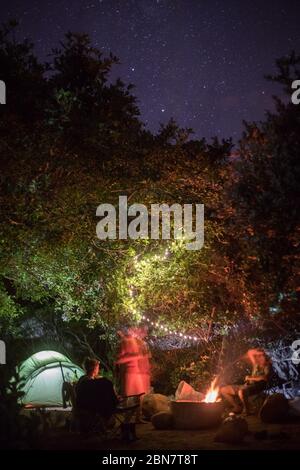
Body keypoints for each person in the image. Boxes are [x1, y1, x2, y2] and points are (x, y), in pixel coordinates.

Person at [220, 348, 271, 415]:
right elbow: (250, 352)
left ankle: (247, 410)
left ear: (265, 358)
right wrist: (260, 352)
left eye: (261, 356)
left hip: (256, 387)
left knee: (241, 391)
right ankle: (237, 407)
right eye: (258, 356)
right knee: (223, 390)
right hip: (246, 385)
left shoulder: (267, 366)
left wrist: (251, 378)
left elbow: (265, 378)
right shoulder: (256, 365)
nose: (259, 358)